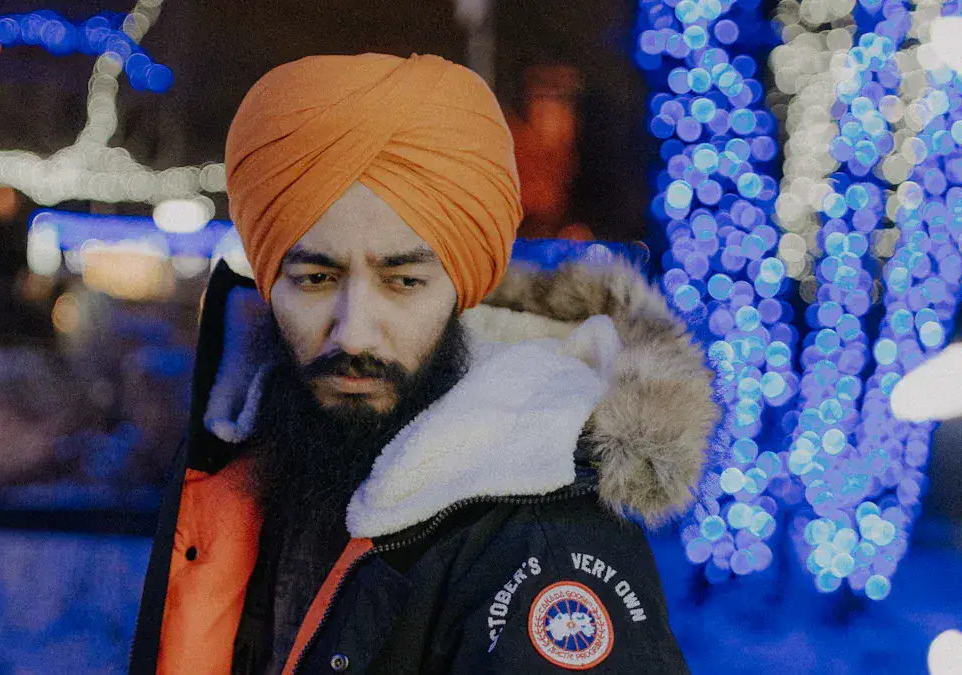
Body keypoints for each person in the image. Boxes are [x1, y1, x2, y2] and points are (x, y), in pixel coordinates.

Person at [130, 53, 718, 675]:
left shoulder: (545, 545)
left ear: (462, 291)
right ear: (270, 281)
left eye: (404, 281)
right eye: (315, 278)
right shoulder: (244, 447)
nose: (353, 331)